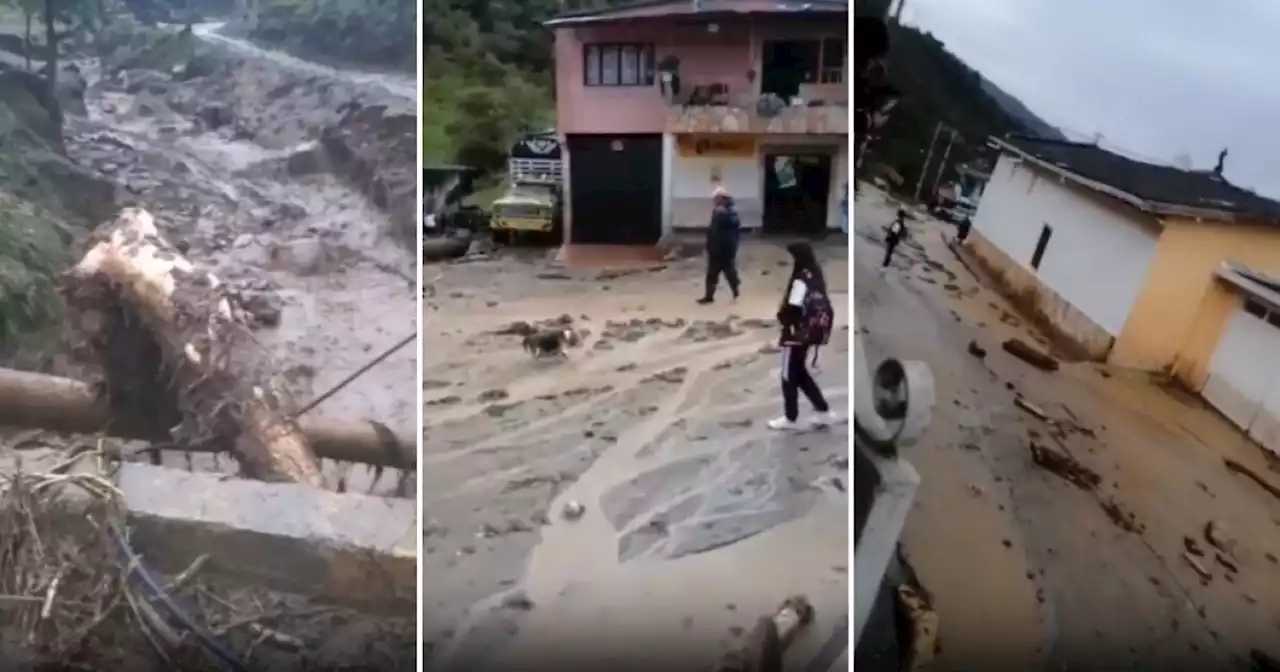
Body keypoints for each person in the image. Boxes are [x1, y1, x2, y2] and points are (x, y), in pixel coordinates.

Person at [769, 242, 839, 431]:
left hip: (795, 333)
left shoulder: (800, 279)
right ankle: (824, 411)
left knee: (788, 375)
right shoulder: (816, 274)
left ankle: (790, 418)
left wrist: (785, 323)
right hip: (811, 332)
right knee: (800, 373)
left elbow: (794, 305)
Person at [698, 186, 741, 304]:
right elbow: (713, 229)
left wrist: (724, 215)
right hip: (715, 248)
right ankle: (709, 296)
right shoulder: (717, 210)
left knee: (729, 272)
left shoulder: (731, 210)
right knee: (711, 274)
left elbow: (734, 223)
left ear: (722, 198)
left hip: (726, 248)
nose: (714, 201)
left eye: (716, 199)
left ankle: (736, 291)